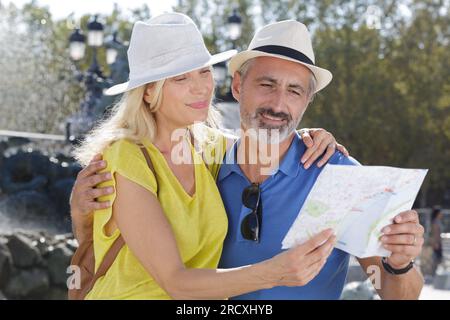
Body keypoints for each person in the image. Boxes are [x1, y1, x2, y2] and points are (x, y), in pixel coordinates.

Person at [70, 13, 347, 300]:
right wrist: (275, 273)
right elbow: (175, 282)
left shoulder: (209, 149)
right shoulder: (126, 157)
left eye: (204, 71)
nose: (201, 87)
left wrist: (309, 135)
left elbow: (266, 132)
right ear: (149, 92)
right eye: (181, 78)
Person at [430, 206, 443, 276]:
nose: (442, 214)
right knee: (437, 258)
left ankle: (435, 272)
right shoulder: (435, 222)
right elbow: (435, 234)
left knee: (439, 258)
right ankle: (433, 273)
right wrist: (436, 243)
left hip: (439, 242)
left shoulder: (438, 221)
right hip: (437, 243)